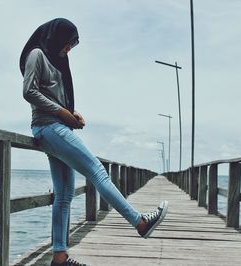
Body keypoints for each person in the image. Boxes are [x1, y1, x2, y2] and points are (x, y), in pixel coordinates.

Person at [20, 18, 168, 266]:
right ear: (55, 37)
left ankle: (59, 256)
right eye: (67, 45)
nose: (68, 50)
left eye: (71, 46)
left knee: (64, 195)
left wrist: (72, 113)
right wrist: (60, 112)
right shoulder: (37, 54)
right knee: (98, 172)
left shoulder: (58, 60)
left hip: (58, 127)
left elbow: (55, 95)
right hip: (48, 126)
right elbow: (28, 91)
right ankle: (140, 222)